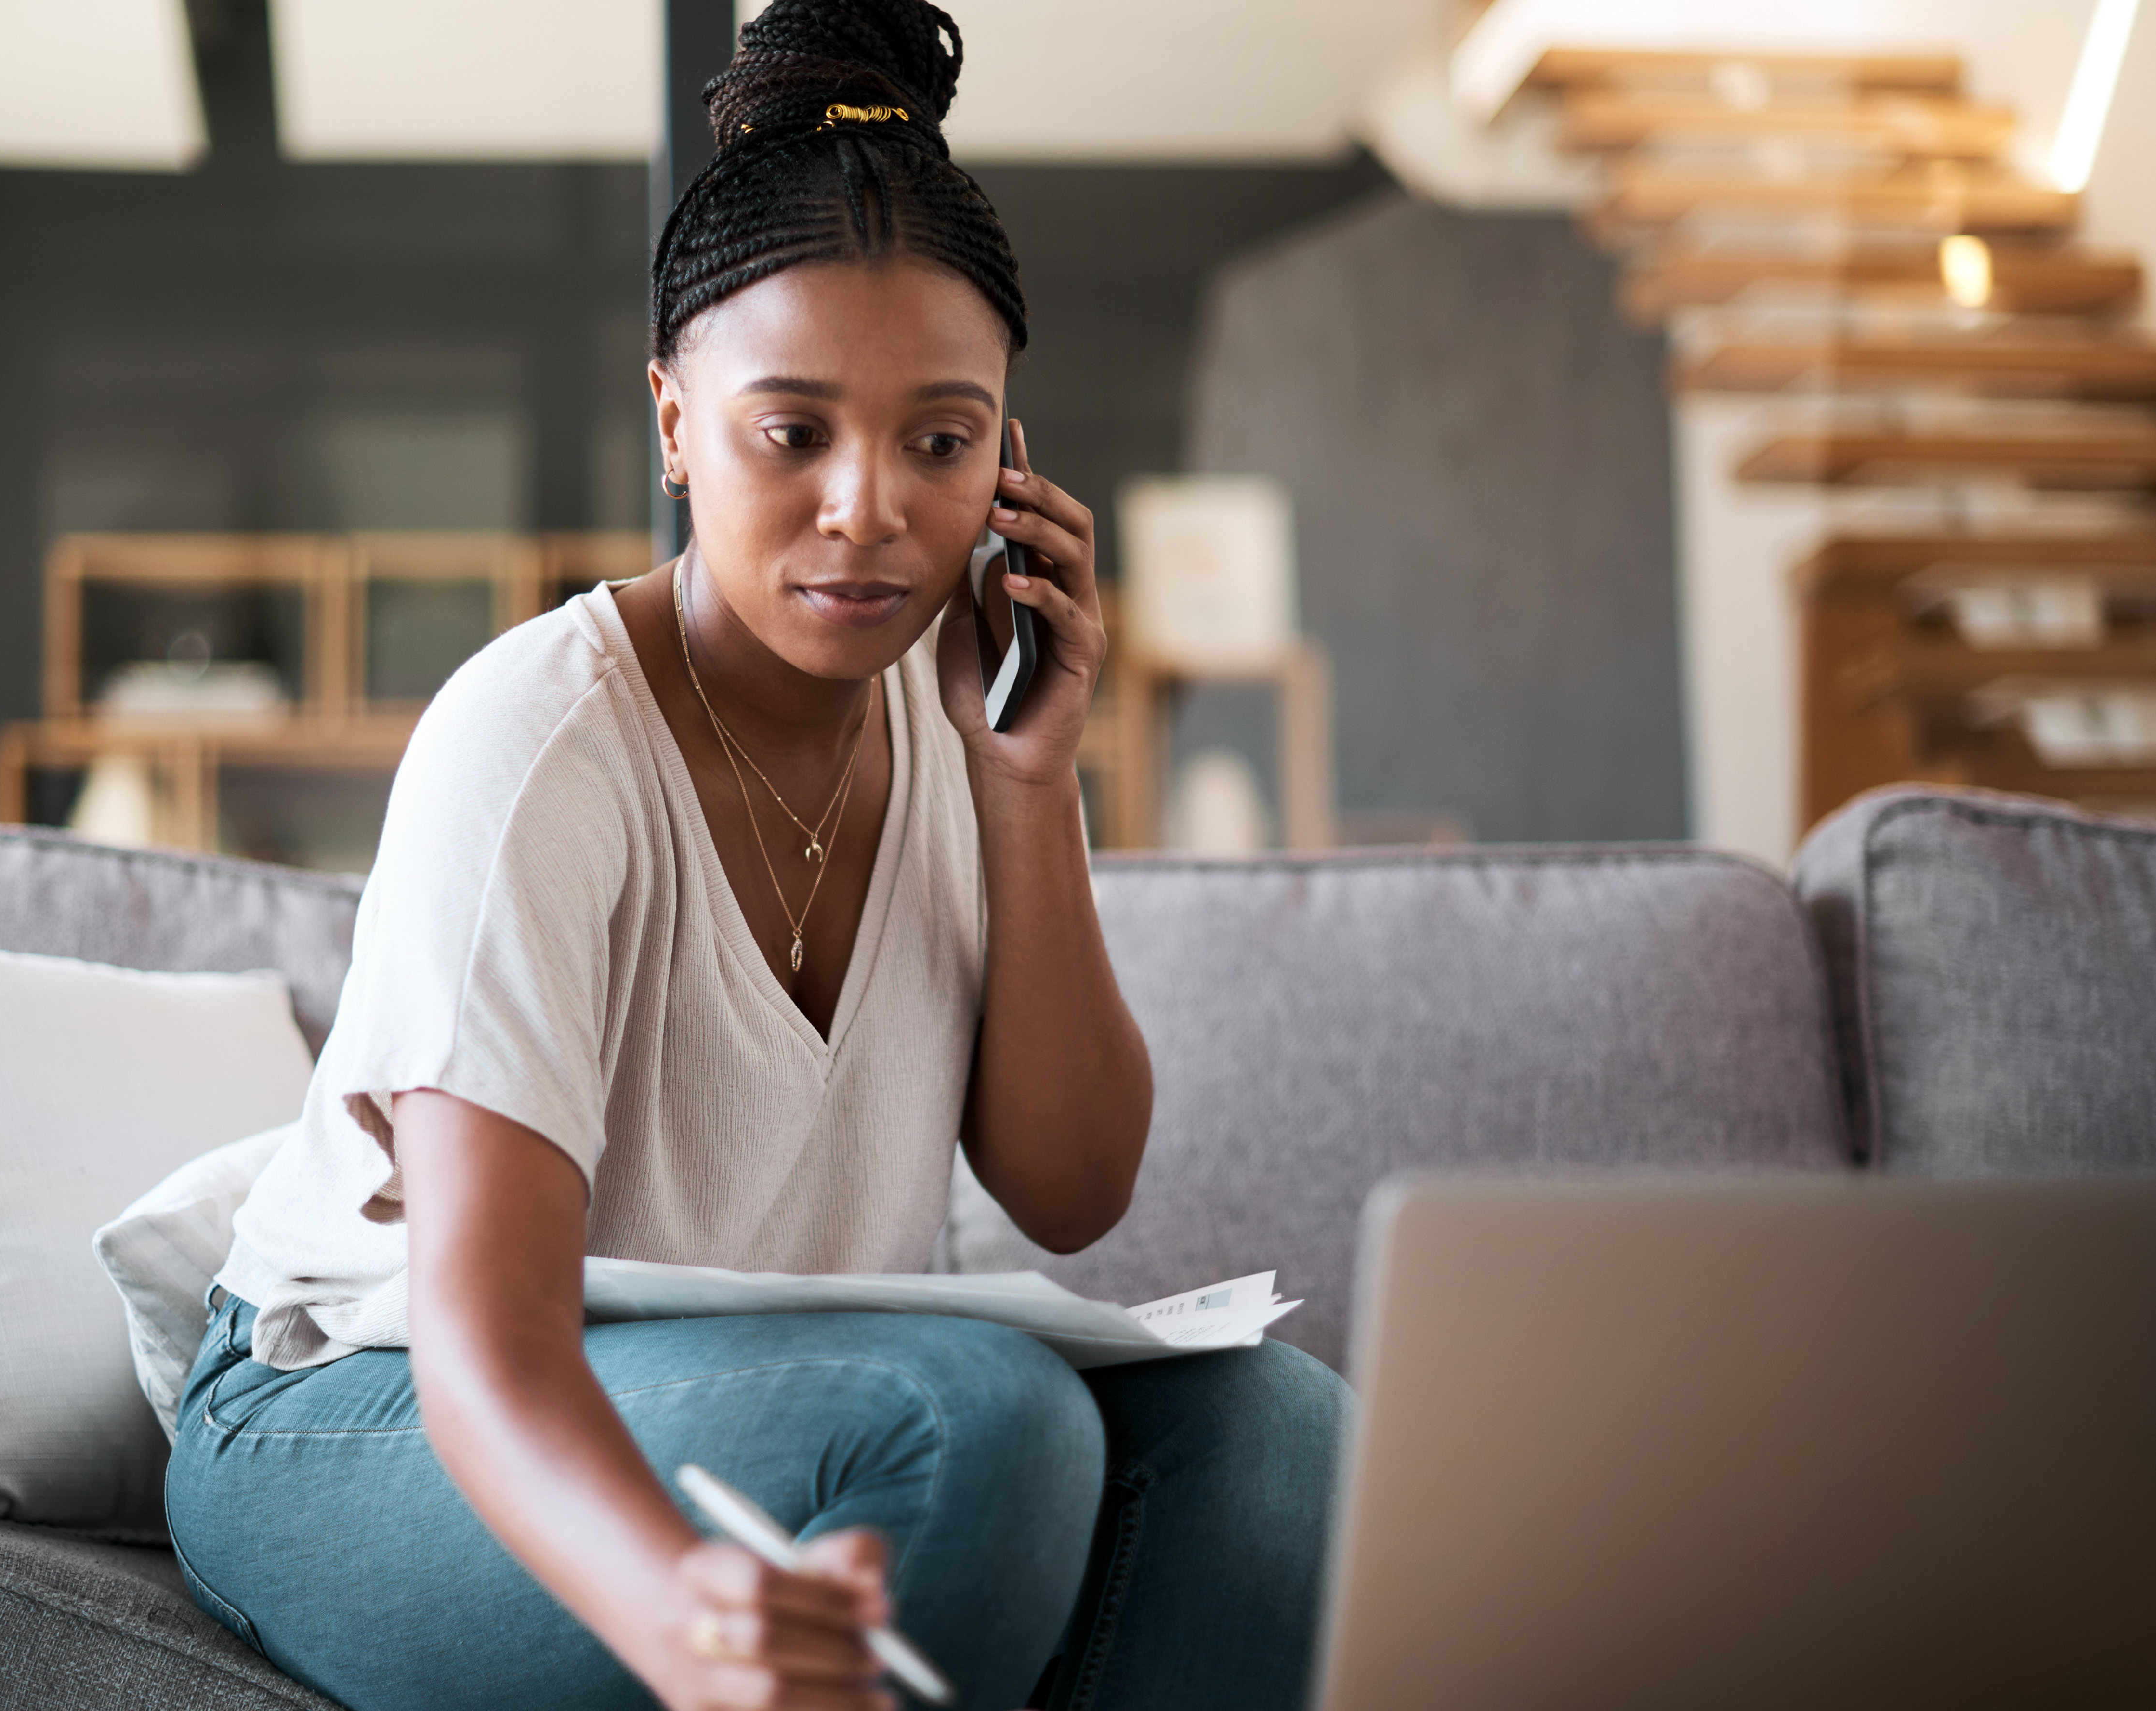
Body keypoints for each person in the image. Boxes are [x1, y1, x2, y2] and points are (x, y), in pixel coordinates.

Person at [168, 2, 1349, 1706]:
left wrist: (1030, 784)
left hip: (732, 1392)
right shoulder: (538, 746)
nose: (869, 507)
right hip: (361, 1403)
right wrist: (673, 1620)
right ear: (673, 420)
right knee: (976, 1425)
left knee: (1273, 1432)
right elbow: (488, 1351)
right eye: (791, 433)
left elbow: (1074, 1190)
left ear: (1010, 456)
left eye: (940, 442)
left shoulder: (967, 721)